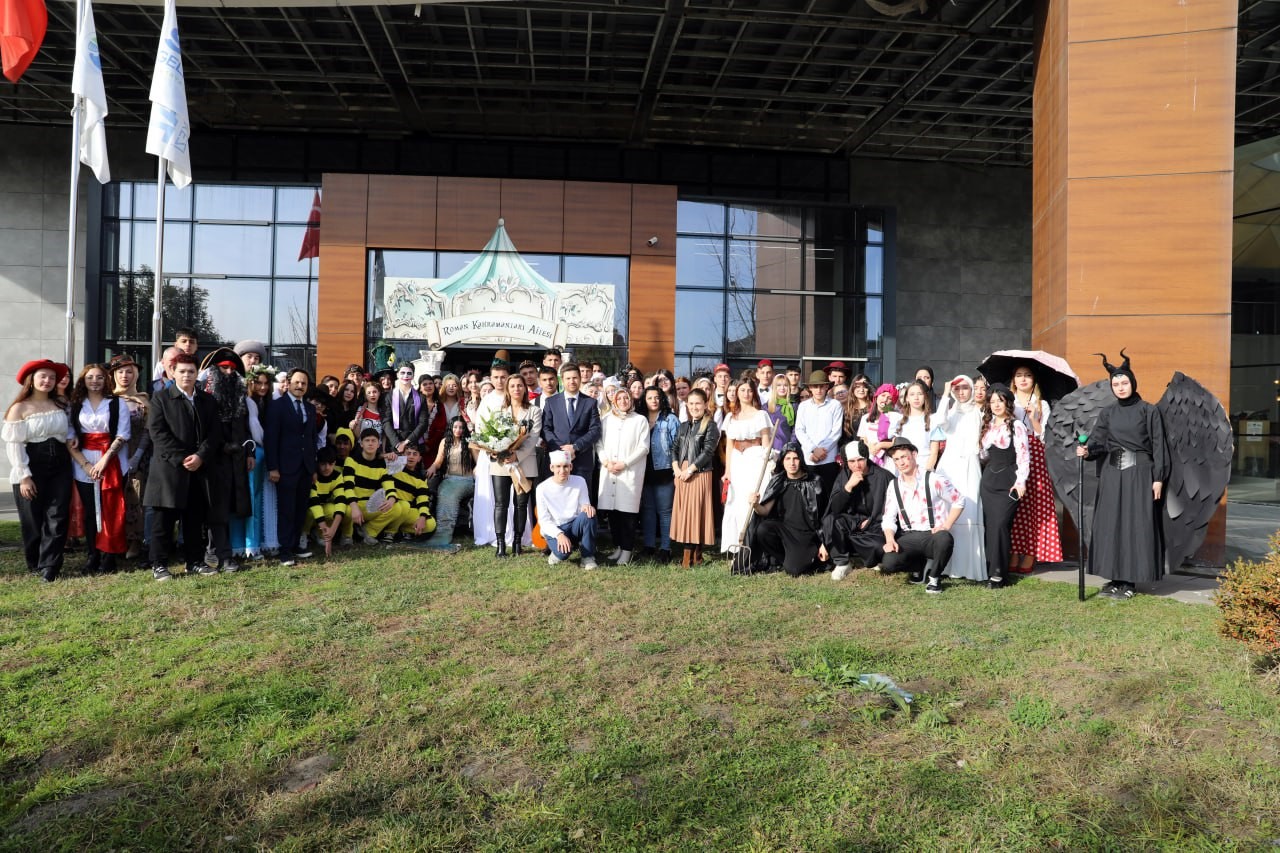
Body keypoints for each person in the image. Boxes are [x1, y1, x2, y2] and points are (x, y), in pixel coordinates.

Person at [1077, 351, 1169, 600]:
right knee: (1111, 525)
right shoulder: (1107, 413)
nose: (1120, 387)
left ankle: (1129, 581)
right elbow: (1098, 441)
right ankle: (1114, 578)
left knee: (1133, 526)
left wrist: (1158, 478)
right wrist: (1087, 450)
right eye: (1115, 384)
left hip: (1139, 475)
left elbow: (1159, 446)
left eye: (1124, 382)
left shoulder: (1149, 411)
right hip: (1111, 475)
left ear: (1133, 383)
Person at [144, 354, 226, 581]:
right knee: (163, 521)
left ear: (197, 373)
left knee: (194, 519)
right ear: (172, 372)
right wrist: (183, 458)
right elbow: (158, 433)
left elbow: (215, 433)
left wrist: (200, 456)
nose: (187, 375)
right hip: (169, 469)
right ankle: (159, 564)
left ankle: (195, 561)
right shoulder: (161, 398)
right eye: (182, 371)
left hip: (198, 469)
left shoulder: (207, 400)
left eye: (191, 371)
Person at [4, 360, 73, 582]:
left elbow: (69, 430)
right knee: (32, 518)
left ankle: (51, 565)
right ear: (31, 380)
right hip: (31, 464)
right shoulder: (19, 408)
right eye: (43, 376)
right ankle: (34, 562)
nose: (48, 381)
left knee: (58, 515)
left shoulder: (60, 403)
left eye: (52, 377)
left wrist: (73, 439)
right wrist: (24, 476)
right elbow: (14, 445)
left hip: (61, 465)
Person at [880, 436, 965, 594]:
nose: (901, 463)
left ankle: (934, 578)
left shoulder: (933, 479)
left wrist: (946, 525)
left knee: (944, 538)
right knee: (889, 562)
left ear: (914, 455)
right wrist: (890, 540)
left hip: (932, 535)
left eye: (904, 457)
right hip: (909, 536)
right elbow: (888, 517)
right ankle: (919, 566)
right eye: (896, 459)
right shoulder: (894, 485)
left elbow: (958, 500)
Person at [202, 348, 255, 573]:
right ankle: (218, 552)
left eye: (233, 369)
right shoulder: (204, 396)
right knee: (216, 506)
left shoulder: (240, 397)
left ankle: (219, 550)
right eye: (224, 368)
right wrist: (220, 446)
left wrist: (249, 452)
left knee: (228, 505)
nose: (229, 372)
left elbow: (246, 427)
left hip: (236, 459)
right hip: (212, 459)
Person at [1009, 363, 1062, 572]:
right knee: (1015, 504)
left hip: (1036, 455)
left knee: (1035, 504)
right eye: (1019, 375)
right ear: (1013, 380)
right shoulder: (1009, 401)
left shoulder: (1042, 404)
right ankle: (1013, 551)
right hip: (1013, 454)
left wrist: (1033, 419)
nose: (1023, 379)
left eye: (1027, 375)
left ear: (1034, 380)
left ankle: (1031, 553)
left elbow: (1045, 436)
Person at [265, 368, 318, 566]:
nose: (300, 386)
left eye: (304, 383)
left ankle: (295, 545)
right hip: (285, 466)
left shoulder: (310, 408)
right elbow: (271, 438)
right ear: (288, 383)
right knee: (286, 509)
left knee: (300, 509)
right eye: (297, 382)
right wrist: (273, 467)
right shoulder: (277, 406)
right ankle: (285, 550)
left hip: (305, 467)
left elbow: (311, 438)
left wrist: (313, 468)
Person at [936, 375, 986, 582]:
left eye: (965, 388)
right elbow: (939, 422)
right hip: (949, 464)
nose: (961, 392)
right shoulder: (950, 410)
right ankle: (944, 564)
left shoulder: (978, 412)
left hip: (969, 465)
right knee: (947, 510)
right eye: (957, 389)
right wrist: (946, 394)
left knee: (969, 510)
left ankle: (968, 566)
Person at [979, 384, 1029, 588]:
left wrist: (1020, 482)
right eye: (992, 402)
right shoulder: (987, 425)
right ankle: (991, 570)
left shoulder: (1016, 425)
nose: (996, 405)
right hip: (988, 481)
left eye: (1000, 401)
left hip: (1009, 481)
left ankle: (999, 572)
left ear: (1007, 402)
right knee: (990, 526)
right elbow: (983, 456)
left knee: (1000, 525)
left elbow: (1024, 456)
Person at [747, 443, 824, 577]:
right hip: (785, 532)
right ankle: (785, 558)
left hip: (807, 536)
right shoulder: (779, 481)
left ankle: (803, 558)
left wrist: (824, 543)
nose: (792, 463)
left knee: (794, 570)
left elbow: (825, 516)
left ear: (801, 460)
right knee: (763, 529)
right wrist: (755, 505)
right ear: (782, 461)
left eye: (795, 458)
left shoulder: (814, 482)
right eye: (788, 459)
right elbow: (764, 511)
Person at [822, 439, 892, 579]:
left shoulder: (883, 476)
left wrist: (871, 521)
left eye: (860, 460)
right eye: (852, 461)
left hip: (875, 525)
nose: (856, 465)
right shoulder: (844, 475)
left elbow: (891, 510)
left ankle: (873, 559)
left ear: (866, 458)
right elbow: (835, 508)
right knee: (830, 520)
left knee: (879, 547)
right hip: (852, 522)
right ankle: (842, 563)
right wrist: (848, 487)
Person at [596, 387, 650, 565]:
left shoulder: (640, 420)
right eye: (619, 399)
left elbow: (643, 447)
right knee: (613, 513)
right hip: (609, 471)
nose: (622, 401)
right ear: (614, 401)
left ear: (631, 400)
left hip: (629, 472)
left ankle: (627, 550)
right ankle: (618, 546)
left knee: (627, 514)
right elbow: (599, 443)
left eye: (626, 398)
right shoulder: (606, 419)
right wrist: (606, 462)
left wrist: (624, 463)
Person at [489, 374, 541, 557]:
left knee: (521, 504)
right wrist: (496, 451)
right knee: (500, 504)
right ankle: (501, 545)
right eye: (512, 386)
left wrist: (516, 455)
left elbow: (533, 438)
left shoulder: (534, 411)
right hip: (501, 464)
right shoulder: (498, 411)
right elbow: (491, 435)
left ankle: (517, 543)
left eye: (520, 385)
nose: (516, 389)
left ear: (525, 388)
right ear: (507, 389)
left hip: (524, 463)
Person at [720, 378, 771, 553]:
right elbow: (728, 445)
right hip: (737, 460)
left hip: (754, 458)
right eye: (742, 390)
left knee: (750, 500)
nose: (746, 394)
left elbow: (766, 443)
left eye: (749, 390)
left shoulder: (761, 415)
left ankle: (753, 546)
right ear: (736, 393)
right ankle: (737, 547)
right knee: (735, 503)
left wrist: (767, 466)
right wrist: (727, 471)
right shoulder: (730, 417)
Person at [108, 354, 151, 562]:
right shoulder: (108, 399)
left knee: (135, 498)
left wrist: (138, 454)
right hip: (111, 456)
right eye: (120, 372)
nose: (125, 375)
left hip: (137, 455)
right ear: (113, 375)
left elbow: (148, 431)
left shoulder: (144, 400)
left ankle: (134, 541)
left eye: (129, 371)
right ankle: (115, 540)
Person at [670, 388, 719, 568]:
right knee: (685, 514)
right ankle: (690, 556)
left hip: (699, 473)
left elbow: (708, 451)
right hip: (681, 474)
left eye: (698, 403)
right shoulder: (683, 426)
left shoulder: (711, 426)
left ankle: (692, 557)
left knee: (696, 514)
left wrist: (690, 470)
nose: (694, 407)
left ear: (705, 404)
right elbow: (674, 448)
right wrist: (676, 468)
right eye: (691, 403)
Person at [541, 362, 603, 486]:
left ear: (580, 379)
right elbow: (545, 429)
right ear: (562, 380)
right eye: (568, 378)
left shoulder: (590, 402)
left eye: (575, 378)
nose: (572, 381)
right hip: (557, 461)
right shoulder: (551, 402)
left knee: (582, 496)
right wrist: (562, 450)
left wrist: (575, 447)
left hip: (582, 460)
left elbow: (595, 430)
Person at [536, 450, 597, 570]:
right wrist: (559, 534)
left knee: (589, 514)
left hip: (574, 525)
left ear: (571, 467)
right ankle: (556, 553)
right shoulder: (542, 488)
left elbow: (585, 504)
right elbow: (543, 520)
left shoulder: (580, 481)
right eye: (558, 466)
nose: (562, 470)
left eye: (565, 466)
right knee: (563, 554)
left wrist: (587, 506)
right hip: (556, 527)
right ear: (552, 468)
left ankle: (587, 557)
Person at [343, 428, 405, 544]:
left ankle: (368, 532)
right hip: (353, 504)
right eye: (367, 440)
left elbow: (389, 486)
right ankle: (346, 535)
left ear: (378, 444)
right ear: (361, 444)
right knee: (346, 509)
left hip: (369, 506)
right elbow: (347, 487)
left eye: (373, 441)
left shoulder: (382, 464)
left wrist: (391, 499)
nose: (370, 443)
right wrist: (354, 507)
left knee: (396, 508)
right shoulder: (351, 460)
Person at [423, 416, 474, 552]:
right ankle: (440, 532)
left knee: (451, 494)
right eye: (455, 427)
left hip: (466, 480)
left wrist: (477, 474)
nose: (458, 430)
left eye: (461, 427)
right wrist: (431, 468)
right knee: (444, 492)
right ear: (451, 428)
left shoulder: (469, 442)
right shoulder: (445, 441)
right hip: (449, 479)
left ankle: (445, 534)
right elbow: (438, 462)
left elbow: (478, 461)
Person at [639, 386, 678, 562]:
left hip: (664, 471)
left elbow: (677, 446)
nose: (654, 401)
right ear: (644, 400)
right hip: (644, 472)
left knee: (664, 511)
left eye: (657, 397)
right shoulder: (640, 419)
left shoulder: (670, 419)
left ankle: (665, 548)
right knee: (647, 511)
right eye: (649, 398)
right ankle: (648, 546)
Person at [793, 369, 843, 507]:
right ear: (810, 388)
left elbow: (836, 432)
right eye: (815, 386)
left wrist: (822, 451)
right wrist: (813, 449)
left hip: (829, 458)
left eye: (822, 386)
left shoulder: (835, 405)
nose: (819, 390)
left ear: (827, 387)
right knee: (808, 497)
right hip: (809, 458)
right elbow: (799, 430)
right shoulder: (803, 406)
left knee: (828, 495)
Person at [889, 380, 943, 471]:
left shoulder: (933, 420)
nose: (916, 398)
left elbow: (934, 453)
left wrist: (926, 472)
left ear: (925, 397)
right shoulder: (899, 421)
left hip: (924, 468)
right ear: (907, 398)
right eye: (912, 394)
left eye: (920, 394)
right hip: (903, 470)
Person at [307, 445, 350, 554]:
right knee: (310, 512)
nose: (327, 468)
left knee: (332, 510)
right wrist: (326, 530)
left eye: (330, 464)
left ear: (334, 463)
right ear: (318, 463)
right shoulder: (313, 476)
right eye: (323, 464)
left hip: (323, 507)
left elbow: (341, 501)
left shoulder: (337, 476)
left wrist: (332, 531)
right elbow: (314, 504)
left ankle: (319, 534)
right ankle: (304, 533)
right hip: (310, 508)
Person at [391, 444, 437, 542]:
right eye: (408, 454)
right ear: (402, 456)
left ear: (419, 458)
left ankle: (402, 531)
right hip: (391, 508)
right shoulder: (393, 468)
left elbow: (423, 500)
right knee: (403, 506)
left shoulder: (421, 479)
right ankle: (391, 532)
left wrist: (423, 517)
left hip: (406, 512)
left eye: (415, 454)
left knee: (431, 523)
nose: (411, 457)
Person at [765, 373, 796, 453]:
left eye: (785, 385)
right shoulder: (766, 406)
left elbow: (795, 429)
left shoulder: (794, 406)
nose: (782, 388)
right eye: (779, 385)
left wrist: (790, 447)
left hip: (788, 448)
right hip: (770, 448)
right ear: (774, 387)